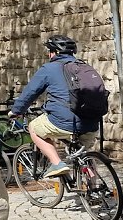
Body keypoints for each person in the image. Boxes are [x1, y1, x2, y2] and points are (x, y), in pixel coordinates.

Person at [10, 35, 99, 178]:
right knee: (84, 154)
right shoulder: (84, 66)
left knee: (34, 128)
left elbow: (31, 92)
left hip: (65, 121)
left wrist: (16, 111)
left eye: (49, 51)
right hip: (91, 122)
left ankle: (57, 163)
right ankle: (94, 188)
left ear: (54, 52)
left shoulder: (49, 68)